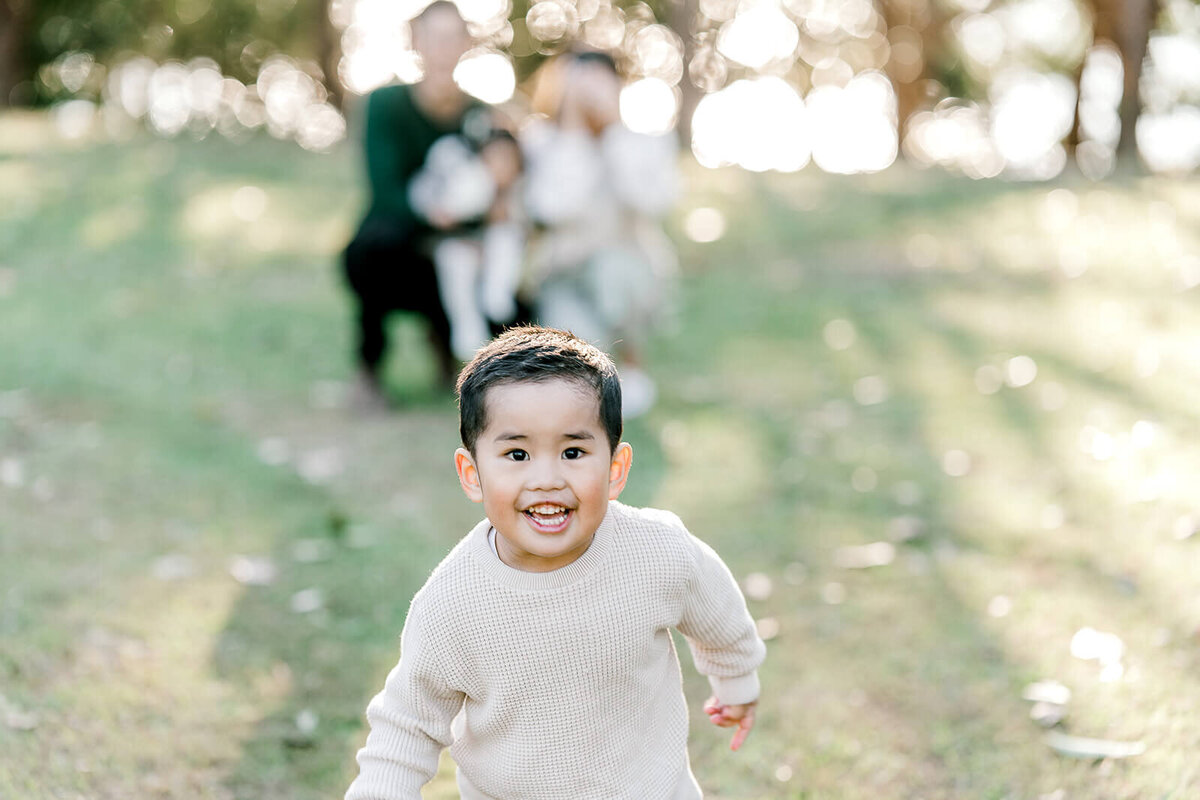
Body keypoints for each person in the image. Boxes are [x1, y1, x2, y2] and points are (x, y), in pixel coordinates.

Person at [345, 326, 766, 800]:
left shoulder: (656, 551)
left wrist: (736, 679)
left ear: (615, 470)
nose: (546, 479)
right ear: (472, 473)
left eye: (573, 452)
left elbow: (716, 610)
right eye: (517, 453)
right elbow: (406, 728)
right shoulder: (452, 604)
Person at [340, 0, 493, 408]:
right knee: (377, 248)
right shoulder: (384, 105)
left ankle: (463, 366)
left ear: (466, 43)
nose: (443, 48)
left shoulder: (482, 115)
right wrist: (436, 218)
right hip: (396, 245)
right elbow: (385, 191)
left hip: (461, 246)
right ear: (416, 42)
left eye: (452, 38)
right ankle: (369, 370)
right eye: (434, 37)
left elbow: (499, 183)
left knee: (509, 298)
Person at [522, 52, 681, 418]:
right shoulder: (541, 142)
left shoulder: (645, 142)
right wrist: (575, 131)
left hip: (627, 273)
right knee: (577, 369)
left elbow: (650, 202)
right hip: (563, 277)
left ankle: (633, 362)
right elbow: (552, 209)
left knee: (614, 269)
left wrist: (612, 132)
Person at [408, 126, 526, 362]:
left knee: (505, 240)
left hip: (501, 256)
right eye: (494, 158)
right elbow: (450, 211)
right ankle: (467, 329)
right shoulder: (472, 181)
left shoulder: (521, 190)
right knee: (457, 265)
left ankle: (497, 293)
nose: (501, 166)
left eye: (508, 159)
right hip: (461, 245)